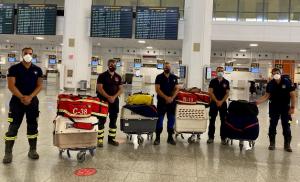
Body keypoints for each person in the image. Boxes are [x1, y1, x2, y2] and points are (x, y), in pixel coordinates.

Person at [3, 47, 43, 164]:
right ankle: (8, 152)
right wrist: (22, 97)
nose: (28, 55)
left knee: (32, 126)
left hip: (32, 102)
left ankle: (32, 150)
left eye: (30, 53)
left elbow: (39, 85)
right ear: (22, 54)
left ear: (33, 55)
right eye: (26, 53)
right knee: (13, 127)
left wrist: (30, 97)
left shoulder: (37, 70)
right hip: (17, 102)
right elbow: (11, 86)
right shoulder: (14, 69)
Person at [256, 68, 296, 152]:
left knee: (286, 125)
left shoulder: (287, 82)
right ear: (272, 75)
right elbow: (266, 96)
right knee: (272, 124)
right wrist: (257, 102)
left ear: (280, 73)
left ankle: (287, 144)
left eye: (277, 73)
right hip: (274, 107)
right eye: (274, 73)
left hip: (285, 107)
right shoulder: (270, 84)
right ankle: (272, 143)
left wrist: (292, 107)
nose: (276, 74)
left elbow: (293, 95)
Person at [96, 59, 123, 147]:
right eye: (111, 64)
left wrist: (113, 97)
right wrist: (108, 97)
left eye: (114, 65)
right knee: (101, 120)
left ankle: (111, 139)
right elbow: (99, 88)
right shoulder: (102, 76)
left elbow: (121, 89)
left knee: (113, 120)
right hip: (103, 101)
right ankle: (100, 140)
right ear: (108, 65)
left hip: (114, 102)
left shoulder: (118, 77)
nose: (113, 66)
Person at [153, 62, 180, 145]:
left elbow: (177, 89)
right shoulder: (159, 77)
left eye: (168, 67)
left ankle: (170, 138)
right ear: (163, 68)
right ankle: (157, 138)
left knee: (171, 120)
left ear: (170, 68)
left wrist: (171, 98)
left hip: (171, 103)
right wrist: (166, 97)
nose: (166, 68)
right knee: (159, 120)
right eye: (165, 67)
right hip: (162, 102)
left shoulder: (174, 77)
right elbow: (157, 89)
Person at [207, 67, 230, 145]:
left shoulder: (226, 82)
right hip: (214, 103)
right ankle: (210, 137)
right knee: (212, 121)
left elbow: (227, 93)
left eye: (221, 71)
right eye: (218, 71)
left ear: (223, 72)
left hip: (223, 104)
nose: (220, 72)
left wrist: (221, 101)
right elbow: (210, 92)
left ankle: (223, 138)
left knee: (223, 121)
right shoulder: (212, 81)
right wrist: (217, 101)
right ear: (216, 72)